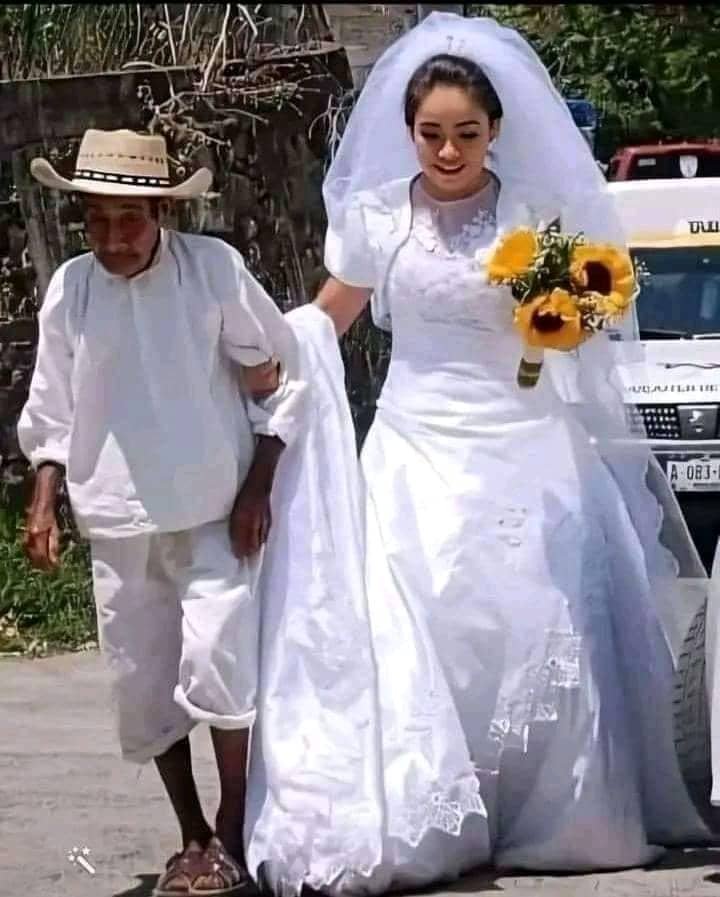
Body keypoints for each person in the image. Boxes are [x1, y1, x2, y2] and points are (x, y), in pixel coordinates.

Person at [241, 12, 715, 895]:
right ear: (409, 133)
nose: (449, 150)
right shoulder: (381, 217)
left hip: (524, 444)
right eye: (431, 134)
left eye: (466, 132)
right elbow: (330, 316)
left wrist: (571, 320)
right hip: (413, 444)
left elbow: (590, 319)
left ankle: (555, 813)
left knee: (536, 615)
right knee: (418, 618)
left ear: (495, 129)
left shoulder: (535, 216)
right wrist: (266, 351)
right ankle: (441, 808)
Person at [17, 128, 307, 896]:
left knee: (217, 658)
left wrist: (260, 482)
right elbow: (52, 404)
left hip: (213, 506)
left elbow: (280, 374)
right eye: (97, 220)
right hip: (116, 515)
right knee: (142, 681)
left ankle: (234, 828)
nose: (113, 238)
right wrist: (44, 498)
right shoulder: (72, 288)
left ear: (162, 213)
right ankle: (192, 835)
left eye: (129, 220)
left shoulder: (212, 271)